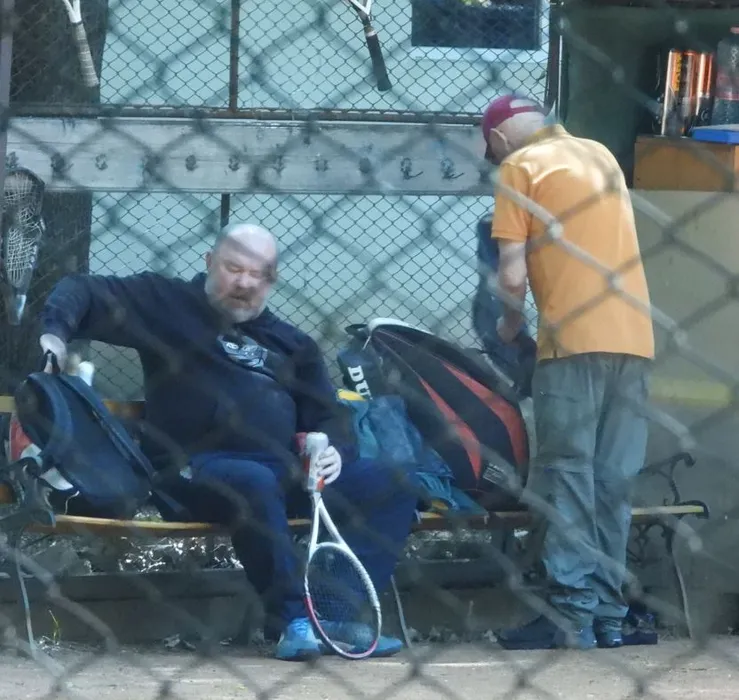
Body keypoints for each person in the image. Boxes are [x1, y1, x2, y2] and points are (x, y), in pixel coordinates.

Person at [37, 222, 419, 661]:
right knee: (254, 480)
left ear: (271, 280)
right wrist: (54, 337)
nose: (244, 283)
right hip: (191, 470)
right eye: (233, 269)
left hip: (281, 476)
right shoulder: (167, 304)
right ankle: (291, 620)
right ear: (209, 262)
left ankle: (334, 616)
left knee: (391, 483)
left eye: (258, 274)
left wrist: (334, 448)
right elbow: (81, 290)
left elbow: (328, 415)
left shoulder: (293, 344)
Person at [481, 95, 655, 650]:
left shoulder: (519, 166)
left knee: (568, 476)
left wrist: (509, 325)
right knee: (612, 482)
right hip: (634, 340)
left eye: (490, 151)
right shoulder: (600, 155)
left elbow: (512, 276)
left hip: (572, 344)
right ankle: (608, 615)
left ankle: (569, 613)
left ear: (499, 138)